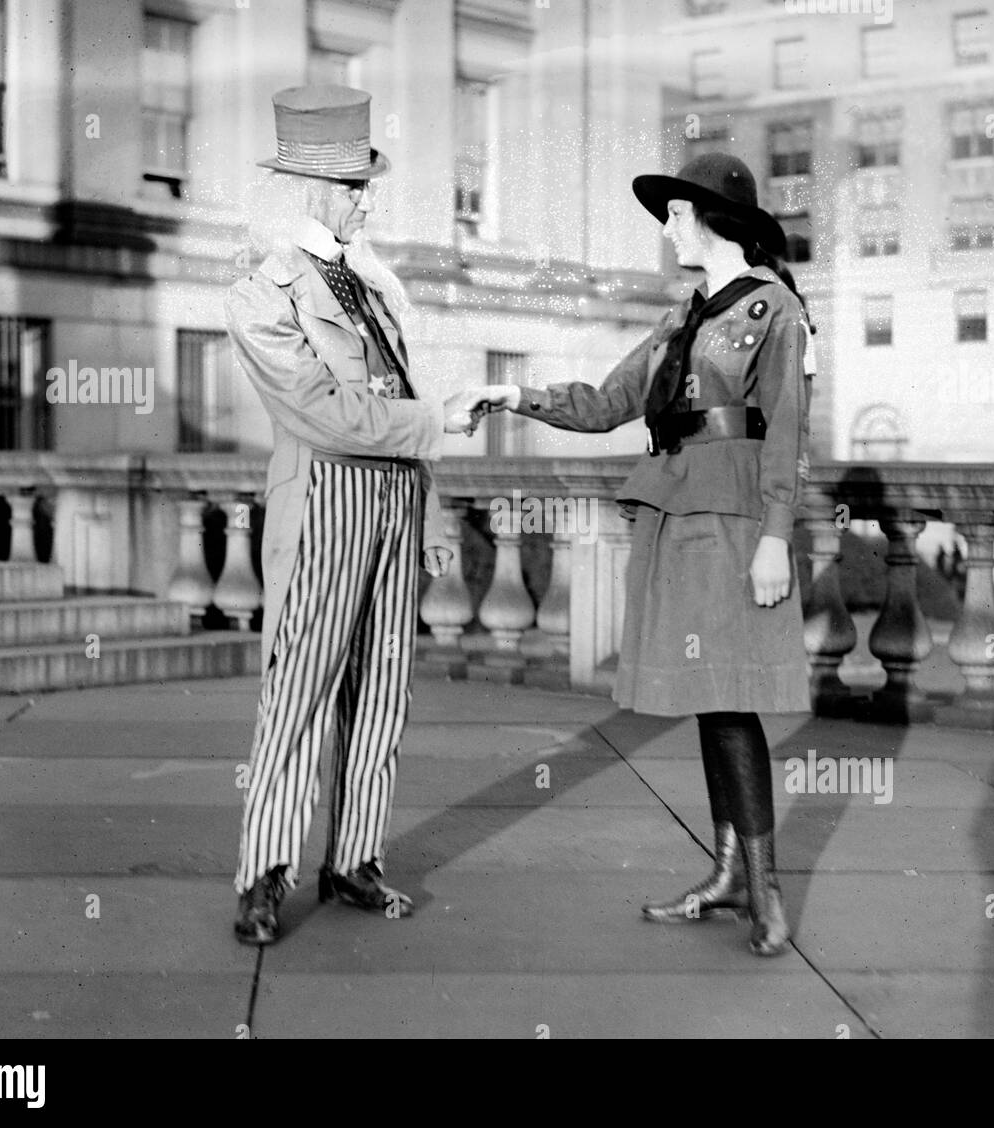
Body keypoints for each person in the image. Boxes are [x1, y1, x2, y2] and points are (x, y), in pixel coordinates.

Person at [470, 153, 812, 957]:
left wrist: (775, 537)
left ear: (709, 220)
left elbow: (789, 432)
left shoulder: (775, 312)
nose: (667, 229)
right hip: (676, 511)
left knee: (729, 703)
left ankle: (766, 895)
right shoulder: (680, 320)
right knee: (706, 692)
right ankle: (729, 874)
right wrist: (515, 396)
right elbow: (605, 405)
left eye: (676, 215)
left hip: (731, 520)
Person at [226, 85, 483, 944]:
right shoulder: (263, 296)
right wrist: (434, 422)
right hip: (326, 499)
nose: (362, 198)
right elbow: (321, 413)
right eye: (347, 185)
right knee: (299, 688)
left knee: (381, 691)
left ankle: (355, 858)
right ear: (301, 187)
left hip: (395, 504)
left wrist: (432, 516)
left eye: (364, 182)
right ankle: (265, 873)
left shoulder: (377, 285)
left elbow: (396, 401)